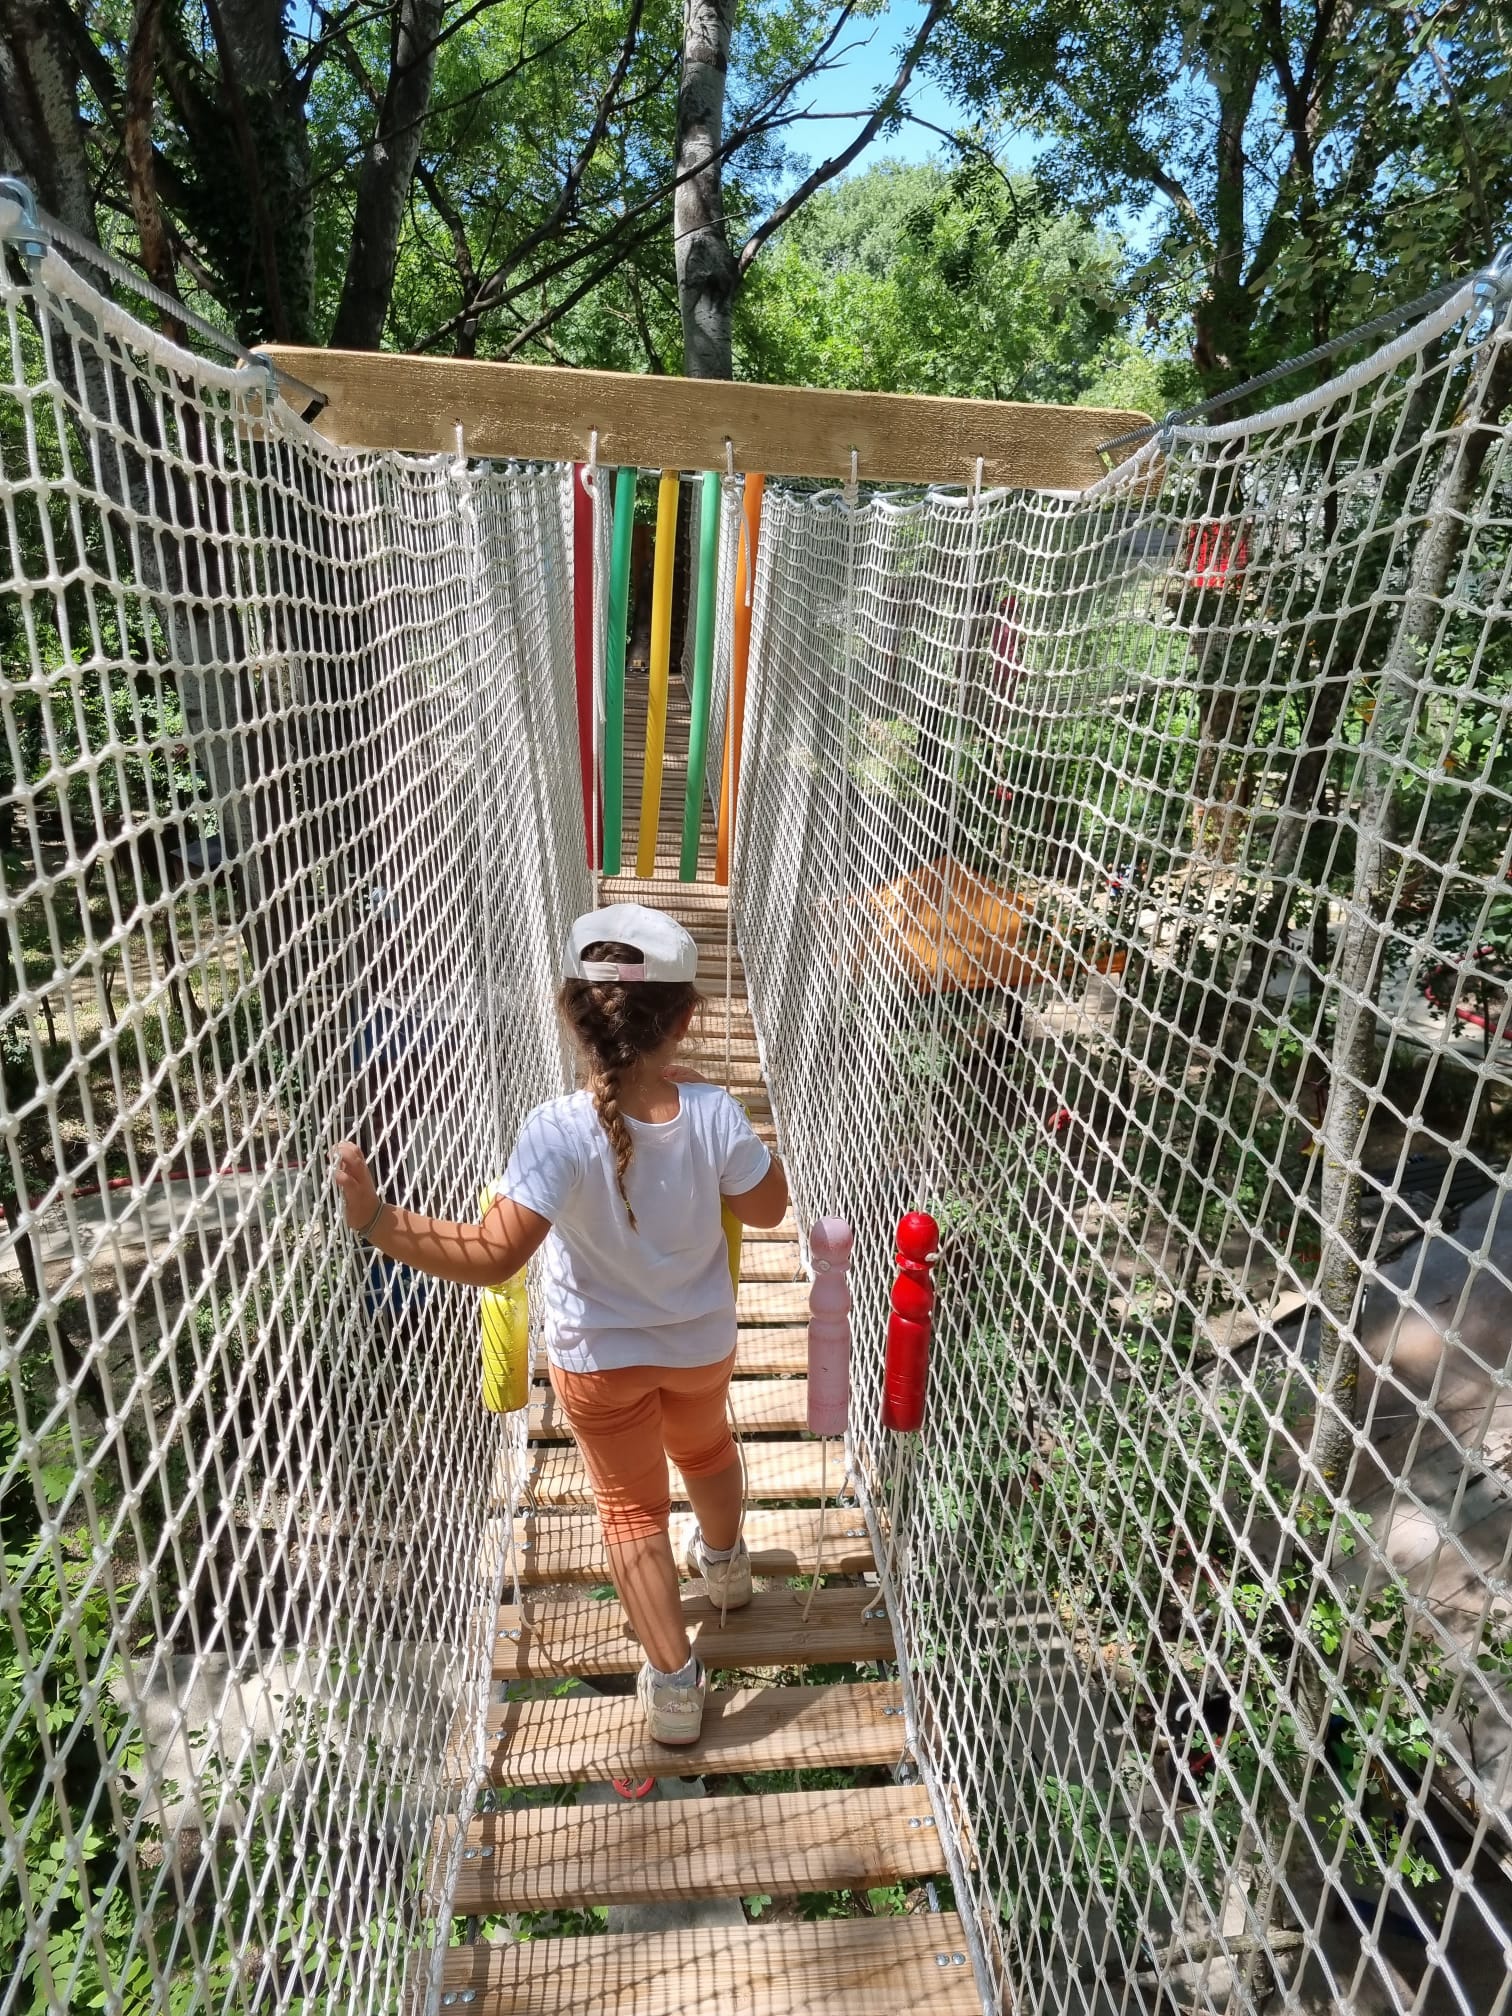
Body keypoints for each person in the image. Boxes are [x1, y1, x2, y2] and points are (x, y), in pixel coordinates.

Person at [331, 902, 789, 1746]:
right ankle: (726, 1573)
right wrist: (736, 1144)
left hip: (598, 1364)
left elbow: (491, 1255)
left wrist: (379, 1223)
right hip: (698, 1347)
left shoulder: (554, 1129)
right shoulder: (714, 1111)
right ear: (685, 1020)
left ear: (574, 1015)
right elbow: (769, 1208)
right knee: (708, 1450)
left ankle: (678, 1691)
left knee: (630, 1514)